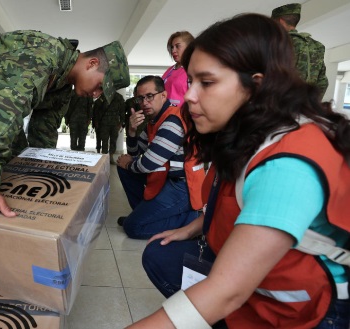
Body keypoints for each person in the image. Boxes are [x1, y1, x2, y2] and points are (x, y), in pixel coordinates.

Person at [130, 13, 349, 329]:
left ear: (254, 87)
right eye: (190, 82)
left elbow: (227, 292)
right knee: (161, 253)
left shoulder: (288, 164)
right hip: (266, 283)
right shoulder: (245, 132)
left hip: (312, 312)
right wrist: (193, 228)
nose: (189, 95)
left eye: (206, 83)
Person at [0, 30, 130, 246]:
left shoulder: (64, 84)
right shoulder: (42, 55)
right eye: (100, 86)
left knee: (16, 164)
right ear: (91, 63)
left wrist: (39, 176)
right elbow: (0, 110)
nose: (96, 94)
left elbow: (44, 130)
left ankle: (13, 230)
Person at [115, 75, 205, 239]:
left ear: (163, 96)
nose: (144, 102)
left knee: (132, 228)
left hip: (182, 186)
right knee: (125, 169)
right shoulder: (154, 120)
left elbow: (148, 163)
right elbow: (135, 153)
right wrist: (132, 132)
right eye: (140, 98)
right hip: (165, 179)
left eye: (150, 96)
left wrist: (129, 163)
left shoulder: (172, 121)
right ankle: (142, 214)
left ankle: (190, 223)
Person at [271, 3, 328, 99]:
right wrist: (312, 105)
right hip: (305, 107)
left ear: (280, 22)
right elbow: (323, 82)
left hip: (282, 105)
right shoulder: (317, 46)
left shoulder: (279, 43)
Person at [162, 31, 194, 107]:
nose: (173, 51)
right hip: (166, 114)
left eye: (177, 46)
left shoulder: (193, 68)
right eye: (172, 47)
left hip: (183, 115)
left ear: (189, 47)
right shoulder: (169, 70)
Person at [92, 92, 126, 163]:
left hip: (115, 123)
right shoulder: (104, 96)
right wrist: (96, 122)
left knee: (113, 141)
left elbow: (122, 111)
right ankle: (104, 157)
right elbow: (97, 107)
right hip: (104, 122)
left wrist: (121, 123)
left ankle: (111, 157)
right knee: (104, 140)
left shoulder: (119, 97)